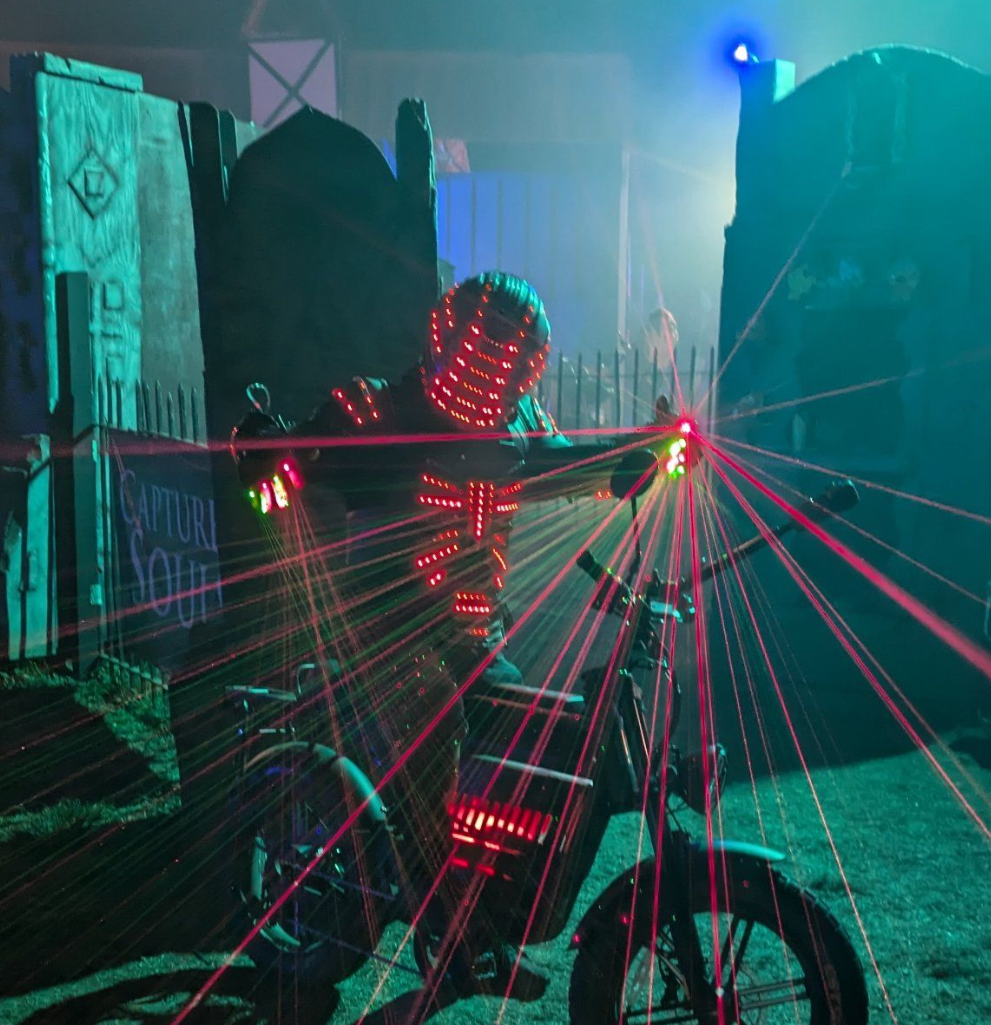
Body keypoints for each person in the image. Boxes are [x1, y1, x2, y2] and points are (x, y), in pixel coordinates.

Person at [232, 271, 676, 986]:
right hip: (381, 635)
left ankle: (493, 895)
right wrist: (269, 450)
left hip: (475, 636)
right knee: (434, 725)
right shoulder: (375, 407)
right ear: (450, 335)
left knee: (536, 738)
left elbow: (574, 467)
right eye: (491, 345)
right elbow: (294, 453)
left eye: (515, 354)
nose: (497, 364)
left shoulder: (522, 423)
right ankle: (443, 913)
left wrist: (640, 456)